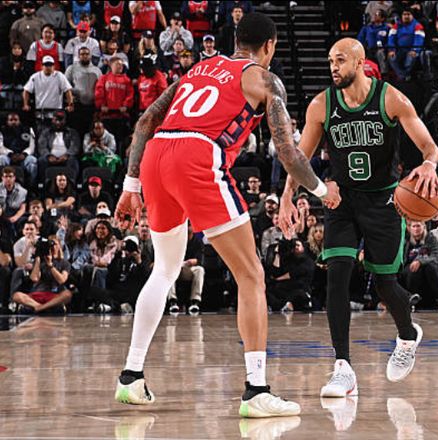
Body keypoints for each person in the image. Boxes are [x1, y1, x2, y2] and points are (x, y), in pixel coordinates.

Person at [113, 12, 339, 417]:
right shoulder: (264, 79)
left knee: (164, 269)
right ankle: (257, 391)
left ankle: (131, 375)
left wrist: (131, 186)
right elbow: (288, 153)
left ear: (236, 41)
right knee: (251, 275)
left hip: (156, 155)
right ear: (270, 46)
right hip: (197, 155)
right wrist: (323, 191)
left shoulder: (198, 69)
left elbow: (146, 120)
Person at [279, 38, 438, 397]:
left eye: (340, 60)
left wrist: (429, 164)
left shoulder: (391, 99)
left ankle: (408, 335)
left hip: (385, 202)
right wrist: (287, 195)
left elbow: (430, 146)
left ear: (359, 62)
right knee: (337, 276)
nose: (333, 67)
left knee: (385, 285)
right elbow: (299, 158)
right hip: (341, 201)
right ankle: (343, 367)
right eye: (329, 61)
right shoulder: (322, 105)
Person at [11, 236, 72, 313]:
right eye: (50, 245)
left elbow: (62, 280)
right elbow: (34, 278)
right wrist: (38, 259)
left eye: (55, 244)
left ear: (59, 246)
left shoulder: (64, 263)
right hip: (36, 294)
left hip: (53, 295)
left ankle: (41, 308)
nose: (52, 247)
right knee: (16, 295)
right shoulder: (39, 261)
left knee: (67, 294)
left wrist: (50, 266)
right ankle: (41, 307)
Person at [404, 220, 438, 310]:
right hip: (411, 267)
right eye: (414, 226)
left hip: (429, 267)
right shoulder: (405, 240)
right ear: (409, 228)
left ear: (424, 227)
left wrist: (420, 261)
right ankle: (412, 299)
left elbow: (436, 255)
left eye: (418, 226)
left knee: (431, 267)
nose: (416, 229)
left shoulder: (431, 238)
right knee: (413, 269)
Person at [166, 223, 205, 315]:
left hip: (190, 268)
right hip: (177, 268)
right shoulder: (176, 240)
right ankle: (173, 301)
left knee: (200, 270)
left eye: (189, 226)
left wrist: (194, 261)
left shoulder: (198, 241)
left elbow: (201, 260)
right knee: (169, 270)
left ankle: (195, 301)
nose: (187, 228)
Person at [65, 46, 102, 137]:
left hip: (92, 107)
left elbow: (101, 87)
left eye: (87, 54)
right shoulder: (71, 69)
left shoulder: (97, 70)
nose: (85, 56)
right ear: (78, 56)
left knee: (90, 132)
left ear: (90, 56)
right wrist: (72, 97)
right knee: (77, 131)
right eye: (82, 54)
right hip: (78, 105)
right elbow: (65, 86)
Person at [36, 111, 81, 181]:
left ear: (65, 121)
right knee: (42, 160)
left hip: (67, 157)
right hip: (50, 157)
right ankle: (43, 183)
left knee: (73, 161)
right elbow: (41, 146)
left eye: (60, 120)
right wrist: (48, 155)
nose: (58, 122)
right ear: (52, 120)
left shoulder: (72, 132)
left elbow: (75, 146)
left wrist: (67, 155)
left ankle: (71, 183)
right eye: (56, 120)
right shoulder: (45, 132)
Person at [387, 7, 425, 80]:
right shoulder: (396, 25)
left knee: (410, 60)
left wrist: (414, 50)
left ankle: (404, 77)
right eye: (404, 14)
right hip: (399, 50)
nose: (406, 16)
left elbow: (419, 39)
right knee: (392, 58)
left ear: (412, 16)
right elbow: (391, 38)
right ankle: (403, 77)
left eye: (408, 14)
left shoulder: (418, 25)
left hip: (411, 50)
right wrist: (392, 50)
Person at [0, 113, 38, 186]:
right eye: (11, 120)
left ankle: (31, 186)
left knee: (32, 161)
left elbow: (32, 145)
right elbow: (0, 146)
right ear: (7, 121)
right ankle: (2, 185)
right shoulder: (2, 130)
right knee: (1, 159)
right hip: (8, 157)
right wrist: (10, 154)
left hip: (24, 157)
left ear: (19, 121)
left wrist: (24, 154)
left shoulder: (28, 130)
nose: (13, 122)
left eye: (15, 120)